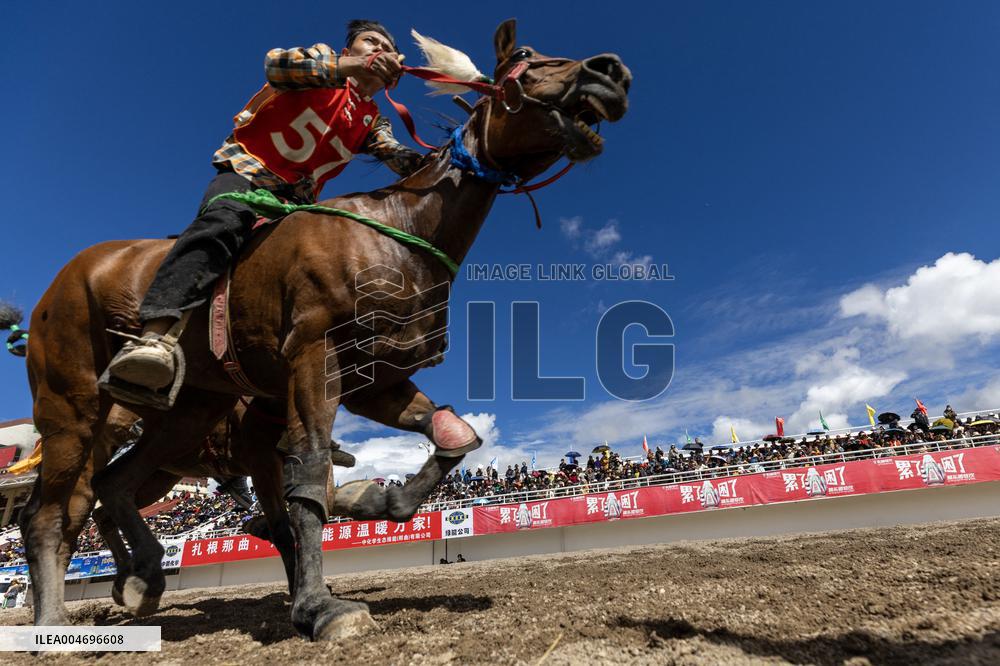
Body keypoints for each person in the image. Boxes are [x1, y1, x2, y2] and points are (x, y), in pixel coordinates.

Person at [107, 20, 423, 391]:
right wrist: (351, 69)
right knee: (222, 224)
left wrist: (460, 158)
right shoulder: (321, 63)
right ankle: (154, 337)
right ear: (348, 51)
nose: (379, 50)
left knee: (318, 272)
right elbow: (277, 64)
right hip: (247, 176)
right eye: (370, 42)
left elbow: (398, 156)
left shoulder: (372, 121)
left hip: (295, 207)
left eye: (387, 48)